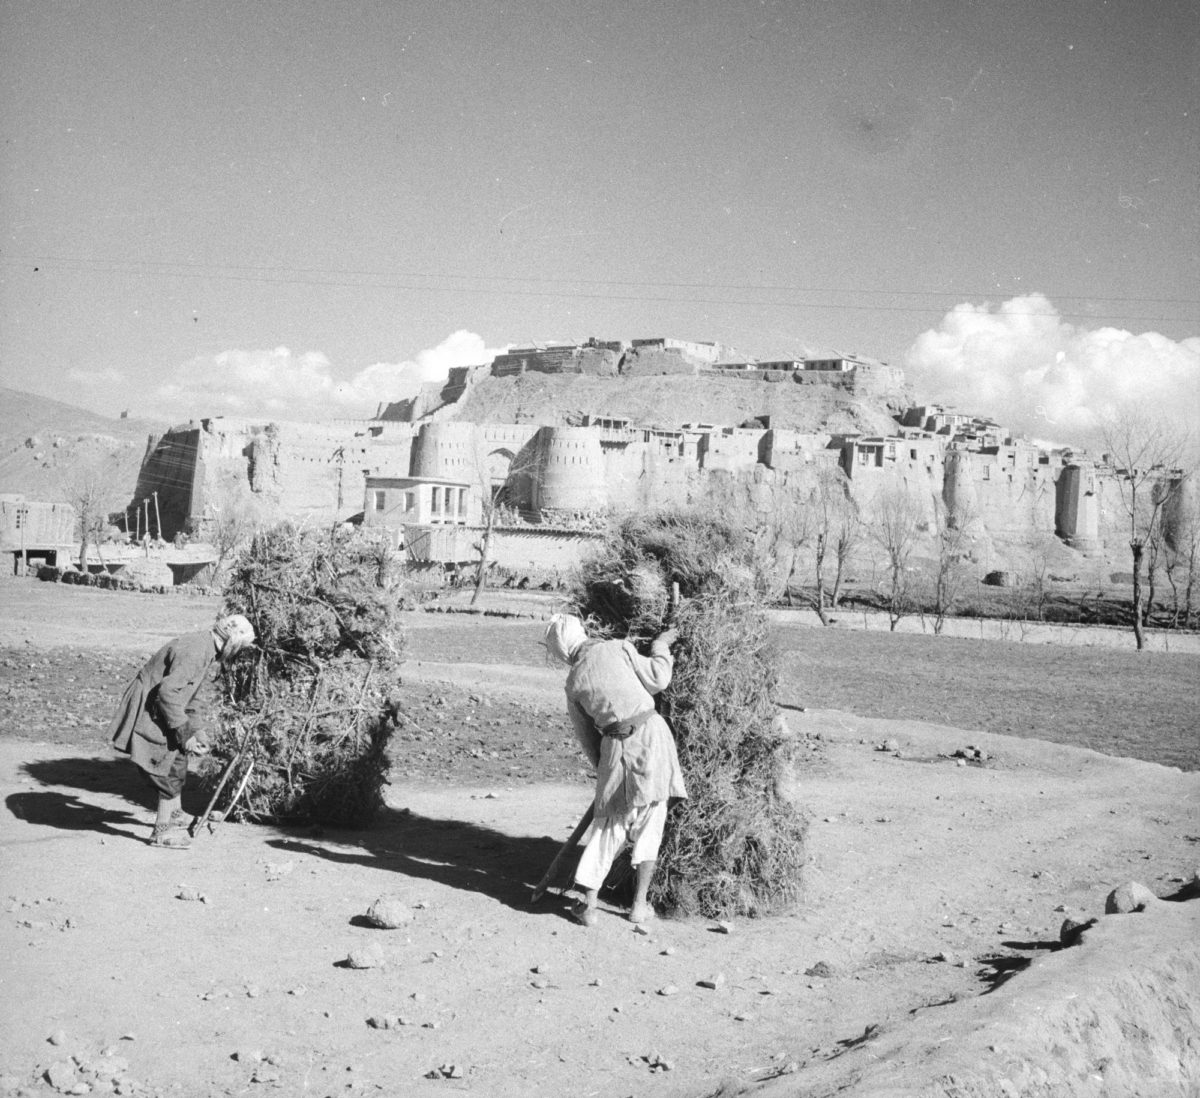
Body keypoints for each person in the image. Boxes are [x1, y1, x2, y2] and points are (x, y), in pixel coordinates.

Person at [543, 613, 687, 926]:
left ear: (562, 652)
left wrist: (604, 774)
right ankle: (639, 906)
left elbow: (588, 740)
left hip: (614, 749)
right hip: (652, 737)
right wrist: (661, 645)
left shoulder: (573, 685)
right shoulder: (617, 648)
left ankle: (588, 905)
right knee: (653, 818)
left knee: (608, 826)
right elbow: (659, 679)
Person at [108, 614, 256, 848]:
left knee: (177, 758)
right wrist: (183, 732)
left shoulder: (208, 649)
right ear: (231, 640)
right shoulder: (197, 651)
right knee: (165, 766)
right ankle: (160, 833)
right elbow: (167, 693)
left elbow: (190, 697)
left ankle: (175, 814)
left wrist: (196, 730)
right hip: (152, 704)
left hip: (165, 704)